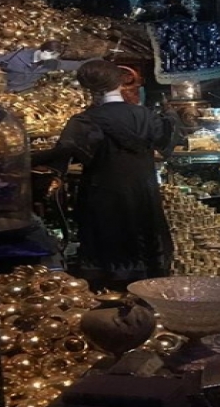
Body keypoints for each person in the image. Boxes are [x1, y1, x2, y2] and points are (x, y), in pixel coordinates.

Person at [31, 59, 178, 290]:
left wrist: (24, 158)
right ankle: (150, 294)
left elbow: (64, 153)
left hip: (103, 193)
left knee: (107, 243)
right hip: (143, 191)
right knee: (145, 239)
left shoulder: (84, 121)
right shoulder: (145, 116)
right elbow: (168, 138)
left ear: (87, 87)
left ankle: (110, 293)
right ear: (120, 82)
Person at [0, 40, 86, 92]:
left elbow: (73, 65)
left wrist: (92, 63)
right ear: (46, 50)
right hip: (6, 90)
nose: (52, 59)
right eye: (52, 55)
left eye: (55, 57)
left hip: (26, 91)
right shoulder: (17, 57)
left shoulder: (50, 63)